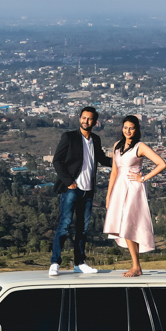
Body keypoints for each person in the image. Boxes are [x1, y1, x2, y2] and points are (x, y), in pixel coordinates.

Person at [50, 106, 113, 276]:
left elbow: (101, 159)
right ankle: (55, 262)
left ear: (95, 121)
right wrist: (69, 182)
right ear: (80, 119)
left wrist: (122, 161)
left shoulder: (96, 140)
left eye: (90, 118)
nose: (86, 121)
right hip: (71, 189)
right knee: (64, 225)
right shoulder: (69, 137)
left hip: (88, 191)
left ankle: (79, 263)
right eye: (83, 118)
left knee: (82, 229)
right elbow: (57, 161)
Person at [103, 115, 166, 277]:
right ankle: (135, 266)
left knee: (129, 223)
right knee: (124, 223)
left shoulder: (141, 146)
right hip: (119, 187)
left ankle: (136, 266)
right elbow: (114, 172)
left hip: (133, 188)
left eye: (131, 128)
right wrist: (108, 195)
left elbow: (162, 164)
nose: (128, 131)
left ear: (136, 129)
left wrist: (143, 178)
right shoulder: (117, 145)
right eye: (125, 127)